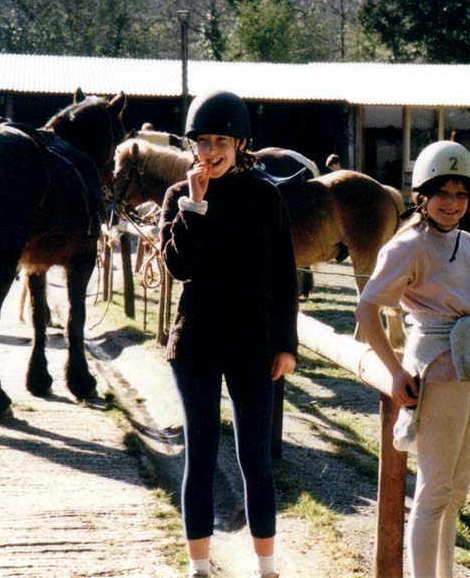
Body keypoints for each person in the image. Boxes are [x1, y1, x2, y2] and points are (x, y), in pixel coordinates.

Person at [354, 140, 470, 578]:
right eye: (443, 193)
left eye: (461, 194)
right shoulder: (408, 247)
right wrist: (395, 369)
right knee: (433, 491)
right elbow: (367, 310)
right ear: (423, 194)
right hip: (437, 367)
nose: (453, 204)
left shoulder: (469, 244)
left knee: (457, 490)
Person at [159, 90, 298, 578]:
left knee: (254, 458)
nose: (210, 151)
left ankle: (266, 567)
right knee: (199, 454)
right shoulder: (179, 196)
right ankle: (199, 567)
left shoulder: (265, 196)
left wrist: (287, 345)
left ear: (240, 143)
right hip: (195, 341)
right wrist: (194, 207)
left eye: (220, 141)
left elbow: (285, 274)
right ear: (192, 146)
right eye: (202, 142)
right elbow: (179, 266)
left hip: (252, 344)